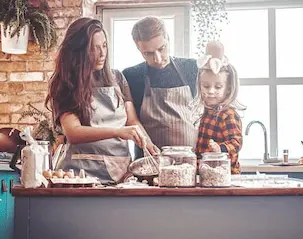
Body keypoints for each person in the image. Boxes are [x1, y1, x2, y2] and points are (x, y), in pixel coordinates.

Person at [45, 18, 156, 184]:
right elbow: (73, 132)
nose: (102, 53)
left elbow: (132, 121)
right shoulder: (65, 83)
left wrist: (149, 145)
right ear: (79, 51)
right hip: (78, 176)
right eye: (94, 48)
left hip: (119, 173)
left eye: (104, 45)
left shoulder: (117, 78)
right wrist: (117, 131)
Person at [122, 16, 199, 153]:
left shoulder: (192, 68)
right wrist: (147, 145)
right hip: (149, 161)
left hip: (190, 159)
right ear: (138, 47)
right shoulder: (131, 76)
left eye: (161, 48)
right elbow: (131, 120)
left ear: (168, 38)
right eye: (148, 53)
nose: (157, 59)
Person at [193, 41, 245, 174]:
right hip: (209, 173)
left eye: (218, 87)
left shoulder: (228, 114)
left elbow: (236, 142)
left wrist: (220, 148)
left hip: (225, 174)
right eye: (206, 86)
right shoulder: (207, 112)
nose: (211, 91)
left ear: (227, 90)